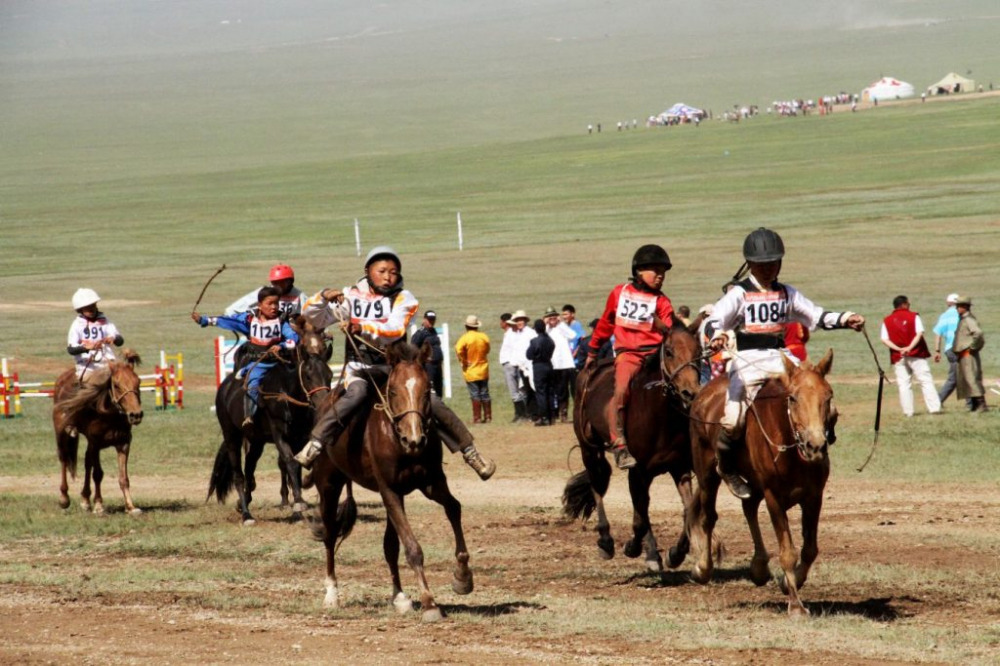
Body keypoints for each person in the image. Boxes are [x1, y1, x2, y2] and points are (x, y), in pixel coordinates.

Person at [293, 246, 495, 479]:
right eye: (382, 271)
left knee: (430, 400)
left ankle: (470, 451)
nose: (388, 277)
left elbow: (394, 329)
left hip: (395, 369)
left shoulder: (404, 298)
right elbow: (311, 318)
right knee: (355, 394)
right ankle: (316, 444)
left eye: (393, 272)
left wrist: (361, 327)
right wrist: (322, 297)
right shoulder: (350, 296)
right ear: (368, 271)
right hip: (359, 369)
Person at [706, 228, 864, 499]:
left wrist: (845, 319)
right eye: (761, 264)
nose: (768, 269)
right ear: (750, 265)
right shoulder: (739, 294)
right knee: (732, 421)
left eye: (772, 263)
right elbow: (714, 320)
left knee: (827, 404)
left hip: (783, 360)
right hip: (747, 361)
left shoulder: (787, 293)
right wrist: (717, 335)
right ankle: (728, 468)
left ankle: (814, 447)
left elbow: (815, 315)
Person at [584, 244, 676, 470]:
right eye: (655, 270)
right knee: (621, 390)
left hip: (656, 356)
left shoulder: (662, 301)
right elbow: (606, 323)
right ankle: (619, 444)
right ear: (638, 272)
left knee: (684, 388)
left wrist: (661, 325)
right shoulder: (619, 293)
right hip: (630, 355)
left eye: (663, 271)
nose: (660, 276)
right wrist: (593, 350)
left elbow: (672, 332)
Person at [193, 286, 299, 430]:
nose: (274, 307)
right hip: (259, 363)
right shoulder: (249, 319)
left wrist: (282, 346)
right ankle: (249, 416)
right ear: (260, 305)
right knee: (253, 383)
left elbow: (293, 338)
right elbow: (228, 321)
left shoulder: (281, 320)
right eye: (270, 303)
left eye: (276, 303)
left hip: (280, 362)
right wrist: (204, 320)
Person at [880, 295, 941, 417]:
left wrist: (899, 349)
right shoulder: (914, 316)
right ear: (903, 304)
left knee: (904, 384)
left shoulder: (887, 320)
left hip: (898, 356)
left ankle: (908, 411)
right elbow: (919, 333)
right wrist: (909, 347)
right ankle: (934, 408)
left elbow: (884, 339)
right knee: (925, 380)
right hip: (916, 353)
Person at [67, 288, 125, 383]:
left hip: (108, 363)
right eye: (87, 307)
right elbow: (71, 349)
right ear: (80, 309)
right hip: (87, 366)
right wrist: (86, 348)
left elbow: (120, 341)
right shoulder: (77, 324)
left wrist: (113, 338)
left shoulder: (105, 320)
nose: (91, 309)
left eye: (93, 305)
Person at [226, 264, 307, 318]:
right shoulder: (264, 293)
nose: (278, 285)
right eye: (275, 282)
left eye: (282, 282)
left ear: (290, 281)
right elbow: (232, 310)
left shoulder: (300, 296)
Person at [952, 295, 987, 412]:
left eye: (959, 306)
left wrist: (972, 347)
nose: (957, 308)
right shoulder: (963, 319)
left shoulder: (968, 320)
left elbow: (978, 333)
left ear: (965, 307)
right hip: (963, 354)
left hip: (968, 354)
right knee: (967, 379)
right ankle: (975, 404)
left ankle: (981, 404)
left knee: (971, 379)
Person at [454, 315, 491, 423]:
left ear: (466, 326)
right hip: (483, 369)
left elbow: (458, 349)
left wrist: (464, 361)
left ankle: (477, 417)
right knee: (484, 393)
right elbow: (487, 349)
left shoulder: (464, 338)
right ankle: (488, 416)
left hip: (471, 370)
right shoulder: (484, 337)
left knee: (475, 394)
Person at [545, 306, 578, 422]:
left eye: (554, 316)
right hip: (553, 364)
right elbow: (539, 335)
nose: (552, 319)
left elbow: (573, 335)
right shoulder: (546, 329)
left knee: (567, 390)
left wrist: (560, 324)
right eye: (549, 317)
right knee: (557, 390)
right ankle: (557, 413)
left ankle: (566, 414)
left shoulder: (561, 327)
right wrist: (546, 324)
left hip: (566, 363)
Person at [507, 310, 537, 422]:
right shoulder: (518, 334)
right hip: (521, 366)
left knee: (532, 390)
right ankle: (530, 413)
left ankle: (534, 413)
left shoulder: (530, 333)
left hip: (529, 366)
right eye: (517, 320)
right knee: (526, 390)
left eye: (520, 320)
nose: (519, 322)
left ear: (525, 320)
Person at [498, 313, 528, 422]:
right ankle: (521, 413)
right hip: (511, 363)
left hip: (510, 363)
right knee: (518, 389)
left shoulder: (512, 334)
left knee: (515, 390)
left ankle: (521, 414)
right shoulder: (511, 333)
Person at [933, 293, 962, 406]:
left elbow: (938, 334)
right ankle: (937, 402)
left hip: (950, 349)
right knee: (956, 378)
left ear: (948, 303)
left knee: (959, 376)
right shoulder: (962, 314)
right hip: (961, 348)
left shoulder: (944, 316)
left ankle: (972, 403)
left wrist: (937, 351)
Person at [526, 319, 555, 426]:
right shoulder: (550, 340)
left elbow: (528, 355)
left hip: (539, 366)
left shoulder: (534, 341)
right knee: (550, 391)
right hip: (549, 364)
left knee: (541, 392)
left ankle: (544, 417)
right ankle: (552, 416)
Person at [410, 310, 444, 397]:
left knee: (438, 390)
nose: (431, 322)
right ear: (424, 319)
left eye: (433, 320)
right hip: (428, 366)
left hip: (437, 365)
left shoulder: (433, 331)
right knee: (430, 389)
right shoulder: (420, 333)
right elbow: (413, 348)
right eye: (429, 320)